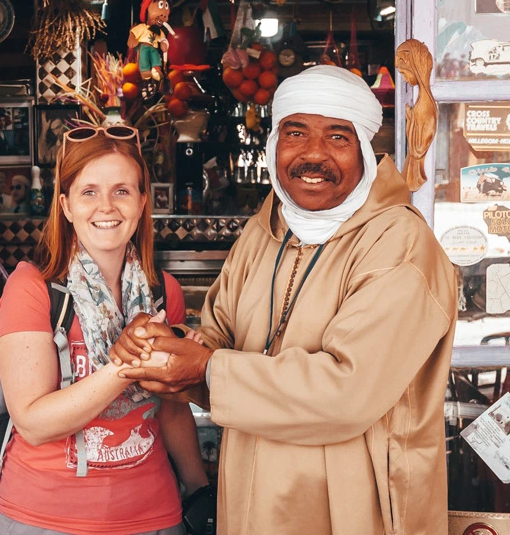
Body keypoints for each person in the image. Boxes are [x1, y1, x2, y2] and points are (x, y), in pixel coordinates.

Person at [112, 66, 458, 534]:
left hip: (354, 509)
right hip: (252, 501)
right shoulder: (266, 229)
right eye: (296, 133)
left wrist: (204, 367)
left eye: (338, 137)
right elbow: (217, 337)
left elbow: (346, 394)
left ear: (365, 152)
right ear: (274, 144)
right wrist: (165, 346)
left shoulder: (399, 243)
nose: (313, 155)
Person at [0, 126, 210, 534]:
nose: (106, 207)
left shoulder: (163, 292)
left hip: (153, 515)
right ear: (66, 205)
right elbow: (34, 423)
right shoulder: (32, 290)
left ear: (143, 202)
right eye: (88, 192)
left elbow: (173, 412)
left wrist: (200, 492)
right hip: (43, 518)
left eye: (122, 191)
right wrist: (133, 360)